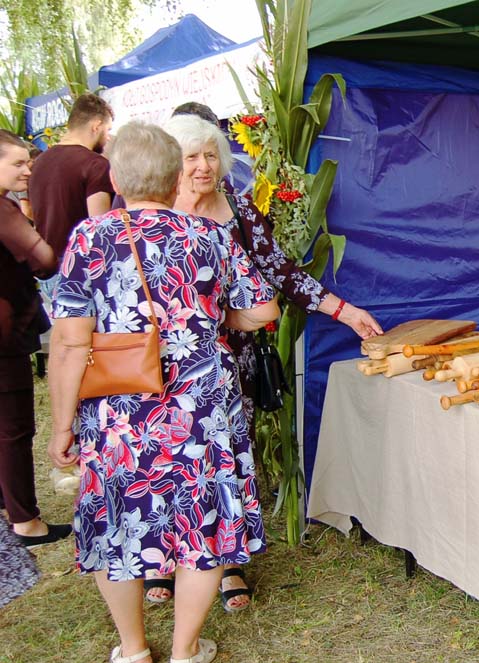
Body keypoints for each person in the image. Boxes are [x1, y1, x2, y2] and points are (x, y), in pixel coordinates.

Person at [46, 121, 278, 663]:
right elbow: (262, 310)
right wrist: (210, 319)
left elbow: (69, 343)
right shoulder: (211, 236)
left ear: (116, 180)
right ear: (176, 178)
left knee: (117, 521)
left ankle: (132, 649)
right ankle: (185, 649)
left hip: (118, 408)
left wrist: (61, 427)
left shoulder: (90, 237)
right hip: (203, 405)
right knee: (203, 523)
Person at [157, 113, 382, 612]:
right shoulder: (149, 208)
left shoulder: (238, 210)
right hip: (162, 366)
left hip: (227, 363)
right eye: (191, 157)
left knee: (222, 459)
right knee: (169, 460)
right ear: (170, 161)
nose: (203, 166)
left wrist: (345, 312)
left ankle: (228, 563)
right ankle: (168, 558)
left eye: (211, 155)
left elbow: (281, 271)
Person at [0, 130, 68, 547]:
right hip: (6, 335)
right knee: (13, 428)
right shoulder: (3, 210)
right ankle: (25, 520)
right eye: (18, 163)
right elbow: (44, 260)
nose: (28, 170)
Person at [28, 93, 115, 260]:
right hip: (81, 265)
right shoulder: (96, 164)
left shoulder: (39, 163)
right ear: (96, 126)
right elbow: (100, 228)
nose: (108, 137)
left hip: (48, 263)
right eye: (108, 129)